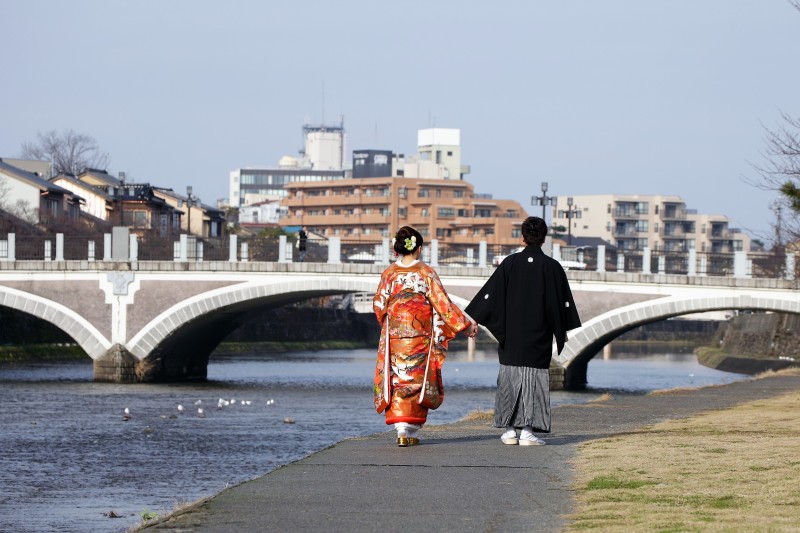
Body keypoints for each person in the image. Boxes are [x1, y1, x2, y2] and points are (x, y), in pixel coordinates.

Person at [465, 216, 581, 446]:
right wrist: (559, 330)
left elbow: (491, 296)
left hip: (512, 334)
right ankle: (527, 431)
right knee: (534, 379)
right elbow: (560, 304)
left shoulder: (510, 263)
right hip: (538, 334)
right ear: (544, 238)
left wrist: (477, 318)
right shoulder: (552, 267)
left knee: (509, 378)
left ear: (523, 237)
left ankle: (509, 431)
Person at [373, 226, 478, 447]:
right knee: (415, 378)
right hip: (420, 334)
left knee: (397, 378)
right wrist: (466, 325)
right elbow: (443, 304)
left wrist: (394, 321)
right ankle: (409, 427)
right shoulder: (425, 272)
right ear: (418, 249)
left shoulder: (389, 274)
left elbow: (379, 305)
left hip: (395, 337)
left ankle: (400, 429)